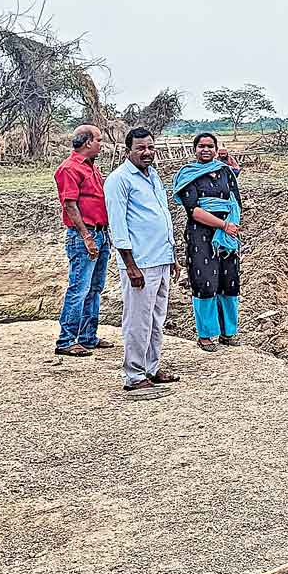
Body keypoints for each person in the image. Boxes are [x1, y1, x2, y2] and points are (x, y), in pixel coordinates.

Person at [104, 127, 181, 392]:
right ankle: (134, 375)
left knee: (157, 317)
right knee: (138, 319)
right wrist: (130, 265)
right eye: (141, 148)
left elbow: (163, 217)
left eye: (150, 147)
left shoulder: (153, 176)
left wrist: (172, 256)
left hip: (160, 258)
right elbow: (118, 225)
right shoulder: (119, 180)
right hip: (139, 263)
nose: (147, 152)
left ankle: (152, 367)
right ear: (129, 151)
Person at [171, 133, 243, 351]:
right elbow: (194, 210)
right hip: (201, 235)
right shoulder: (188, 175)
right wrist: (223, 226)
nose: (205, 150)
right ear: (194, 150)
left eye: (210, 146)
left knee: (229, 282)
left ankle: (228, 332)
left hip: (227, 236)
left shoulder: (224, 171)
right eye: (201, 146)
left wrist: (231, 225)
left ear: (216, 148)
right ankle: (205, 335)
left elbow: (234, 199)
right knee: (205, 283)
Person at [52, 124, 111, 360]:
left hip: (99, 232)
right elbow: (69, 204)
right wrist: (86, 236)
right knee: (79, 287)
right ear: (87, 142)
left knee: (94, 287)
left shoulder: (91, 168)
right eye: (98, 140)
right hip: (84, 234)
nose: (100, 144)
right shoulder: (69, 169)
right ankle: (66, 339)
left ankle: (88, 336)